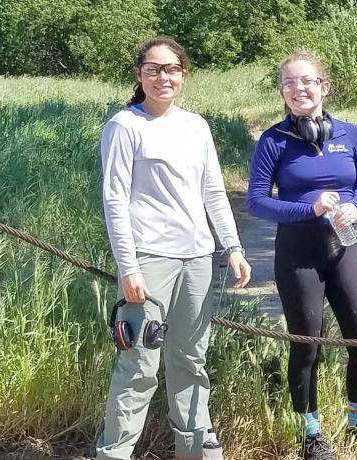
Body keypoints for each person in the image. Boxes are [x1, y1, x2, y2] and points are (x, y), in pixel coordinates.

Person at [97, 36, 252, 460]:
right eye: (153, 69)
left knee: (190, 362)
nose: (163, 77)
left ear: (183, 74)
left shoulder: (196, 126)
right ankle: (114, 453)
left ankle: (193, 452)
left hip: (198, 259)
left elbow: (213, 193)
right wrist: (128, 267)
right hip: (149, 261)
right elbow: (114, 200)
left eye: (172, 69)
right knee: (139, 367)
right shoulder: (125, 126)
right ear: (139, 75)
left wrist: (232, 247)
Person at [246, 51, 357, 460]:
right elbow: (256, 203)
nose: (299, 89)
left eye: (306, 81)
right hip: (298, 255)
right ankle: (311, 435)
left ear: (324, 86)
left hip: (343, 248)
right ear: (282, 92)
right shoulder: (274, 141)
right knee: (307, 346)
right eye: (289, 83)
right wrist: (305, 210)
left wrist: (355, 206)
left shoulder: (350, 134)